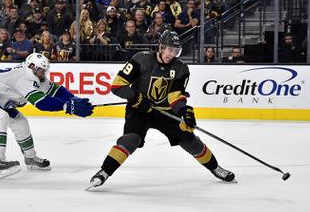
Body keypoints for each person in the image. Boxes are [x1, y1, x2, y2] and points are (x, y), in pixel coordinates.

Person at [88, 30, 236, 189]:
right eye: (170, 49)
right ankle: (104, 172)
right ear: (161, 47)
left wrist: (184, 111)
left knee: (190, 141)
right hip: (139, 110)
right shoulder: (140, 59)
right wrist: (136, 98)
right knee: (130, 140)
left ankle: (215, 168)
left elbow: (175, 96)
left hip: (165, 112)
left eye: (175, 51)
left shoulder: (181, 68)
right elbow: (117, 85)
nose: (172, 54)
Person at [0, 53, 94, 180]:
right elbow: (41, 103)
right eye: (42, 70)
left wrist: (74, 100)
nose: (44, 74)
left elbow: (57, 91)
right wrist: (67, 107)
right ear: (32, 67)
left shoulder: (37, 77)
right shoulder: (23, 77)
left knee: (20, 122)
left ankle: (30, 158)